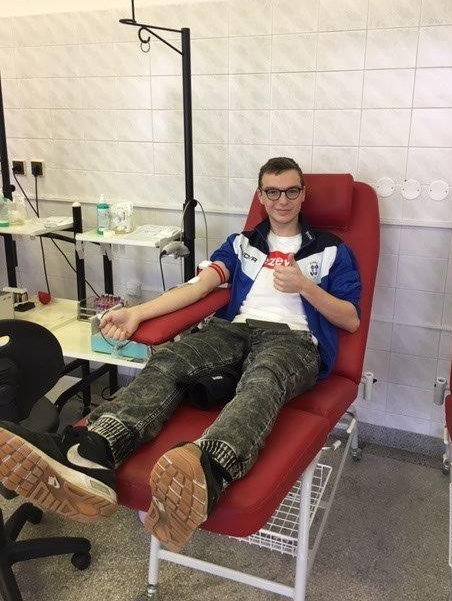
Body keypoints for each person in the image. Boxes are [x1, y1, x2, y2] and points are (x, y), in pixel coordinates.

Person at [0, 157, 361, 553]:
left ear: (303, 194)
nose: (282, 200)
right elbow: (198, 288)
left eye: (291, 191)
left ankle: (208, 469)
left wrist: (305, 286)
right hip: (233, 330)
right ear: (260, 196)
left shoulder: (331, 250)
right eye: (272, 191)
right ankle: (93, 451)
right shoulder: (242, 244)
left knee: (264, 378)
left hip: (293, 340)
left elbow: (350, 319)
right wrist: (137, 313)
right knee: (171, 359)